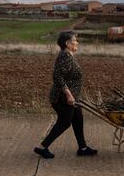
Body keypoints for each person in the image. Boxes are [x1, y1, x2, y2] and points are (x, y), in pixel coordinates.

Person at [34, 31, 97, 159]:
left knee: (78, 119)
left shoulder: (68, 55)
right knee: (64, 122)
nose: (77, 42)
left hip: (72, 96)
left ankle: (83, 148)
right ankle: (42, 147)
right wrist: (69, 95)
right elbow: (57, 77)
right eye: (75, 40)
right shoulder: (65, 57)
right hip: (63, 98)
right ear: (67, 43)